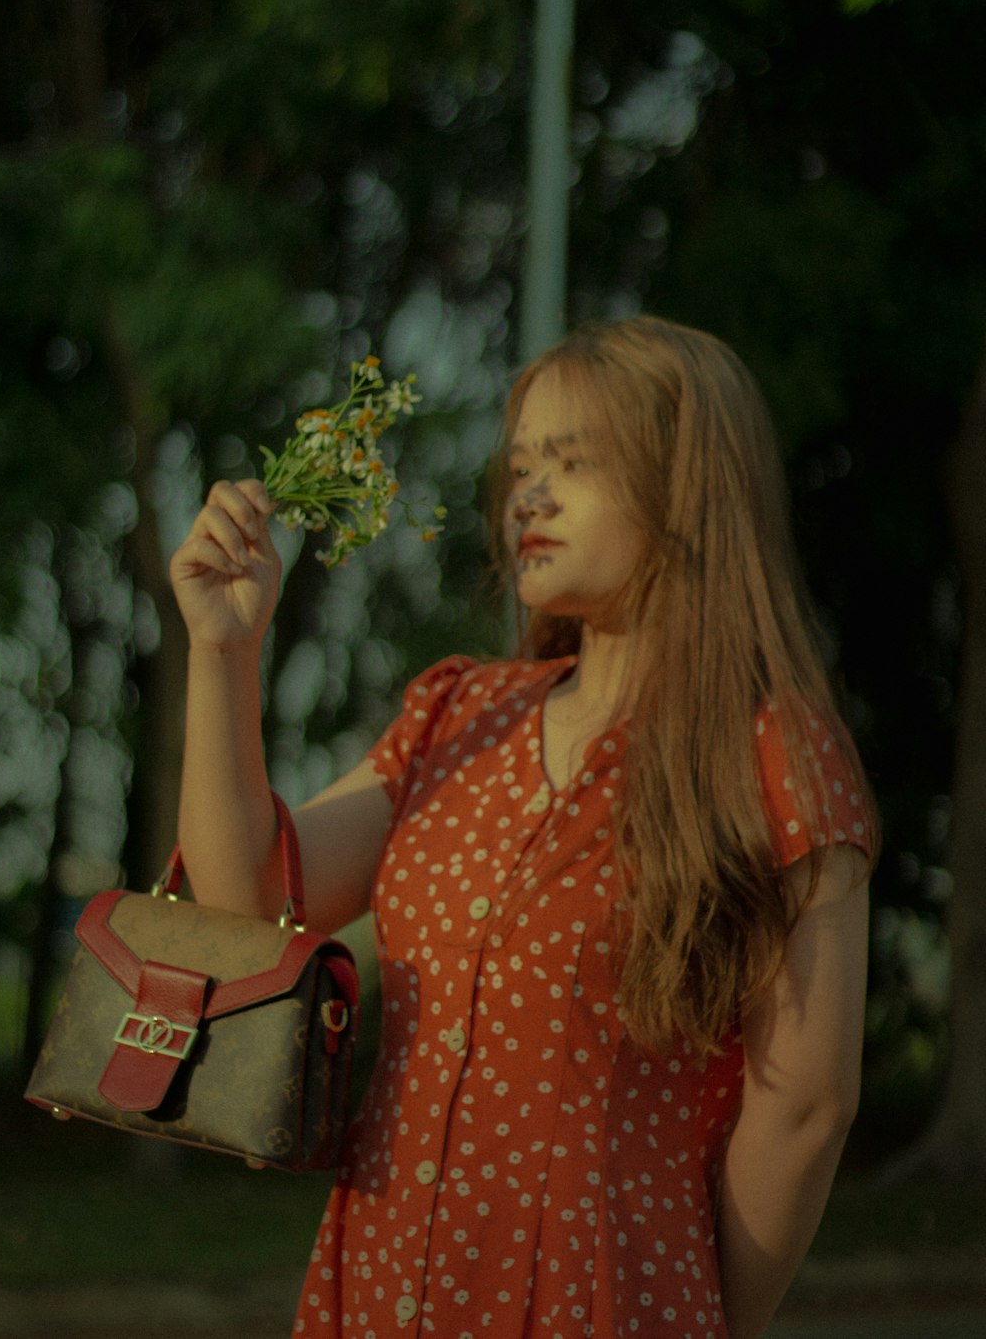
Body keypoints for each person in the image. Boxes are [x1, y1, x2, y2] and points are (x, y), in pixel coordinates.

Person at [170, 315, 876, 1339]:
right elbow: (245, 906)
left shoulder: (774, 757)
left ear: (688, 486)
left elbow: (805, 1108)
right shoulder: (458, 715)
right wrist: (222, 651)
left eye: (573, 463)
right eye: (520, 467)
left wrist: (684, 1312)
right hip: (376, 1289)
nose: (528, 498)